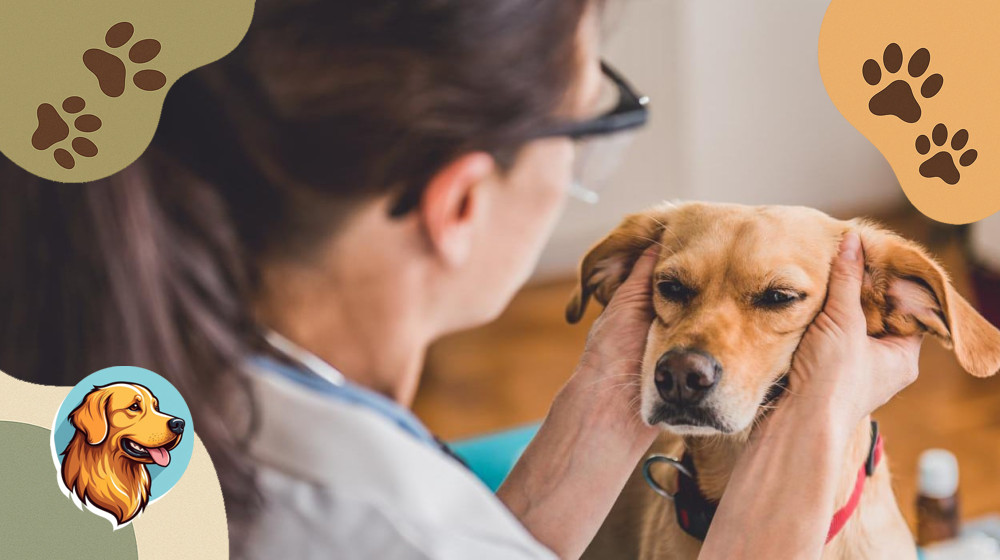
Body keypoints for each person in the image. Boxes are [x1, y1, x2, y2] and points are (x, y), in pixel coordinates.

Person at [0, 0, 921, 558]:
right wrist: (817, 425)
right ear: (461, 203)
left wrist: (611, 394)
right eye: (596, 125)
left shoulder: (96, 339)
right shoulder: (393, 531)